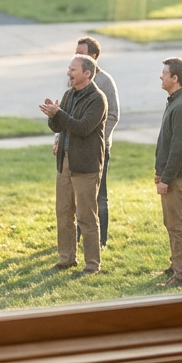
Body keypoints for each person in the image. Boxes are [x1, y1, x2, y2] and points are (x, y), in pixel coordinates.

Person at [40, 54, 107, 275]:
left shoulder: (98, 99)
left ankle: (92, 264)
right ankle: (66, 258)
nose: (69, 73)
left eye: (73, 70)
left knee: (87, 216)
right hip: (65, 161)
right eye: (69, 69)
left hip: (85, 165)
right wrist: (53, 115)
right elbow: (59, 127)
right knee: (63, 211)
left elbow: (83, 128)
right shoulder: (69, 94)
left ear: (87, 74)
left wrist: (59, 114)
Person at [154, 57, 182, 287]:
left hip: (178, 176)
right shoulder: (175, 101)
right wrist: (160, 173)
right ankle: (176, 264)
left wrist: (167, 178)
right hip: (171, 174)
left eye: (164, 73)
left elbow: (179, 148)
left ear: (175, 78)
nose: (160, 76)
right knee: (170, 222)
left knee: (177, 225)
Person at [77, 37, 119, 247]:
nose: (76, 57)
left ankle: (101, 240)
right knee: (78, 194)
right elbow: (67, 112)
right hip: (76, 148)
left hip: (99, 148)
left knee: (99, 195)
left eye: (81, 53)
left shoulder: (104, 81)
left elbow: (113, 115)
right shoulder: (74, 78)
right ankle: (76, 236)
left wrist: (97, 140)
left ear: (94, 56)